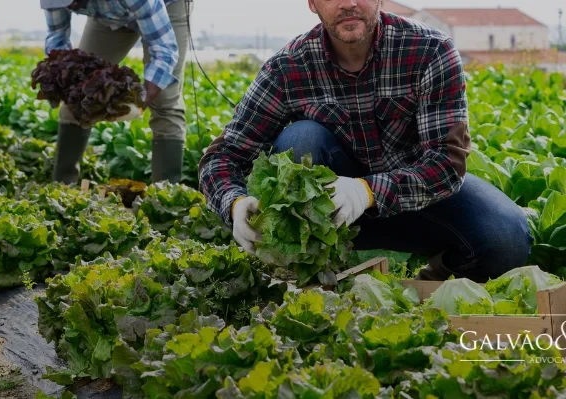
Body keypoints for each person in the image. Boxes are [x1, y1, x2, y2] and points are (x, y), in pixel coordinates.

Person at [197, 0, 533, 283]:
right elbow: (222, 157)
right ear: (312, 4)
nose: (348, 3)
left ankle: (431, 280)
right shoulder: (287, 68)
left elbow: (446, 165)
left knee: (507, 235)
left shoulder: (429, 50)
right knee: (301, 138)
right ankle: (317, 277)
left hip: (419, 202)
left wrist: (367, 191)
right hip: (329, 214)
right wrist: (234, 204)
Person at [41, 0, 192, 184]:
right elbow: (57, 39)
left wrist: (139, 101)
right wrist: (65, 77)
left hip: (166, 7)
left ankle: (166, 200)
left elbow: (164, 50)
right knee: (77, 94)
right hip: (109, 16)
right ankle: (63, 188)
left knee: (165, 101)